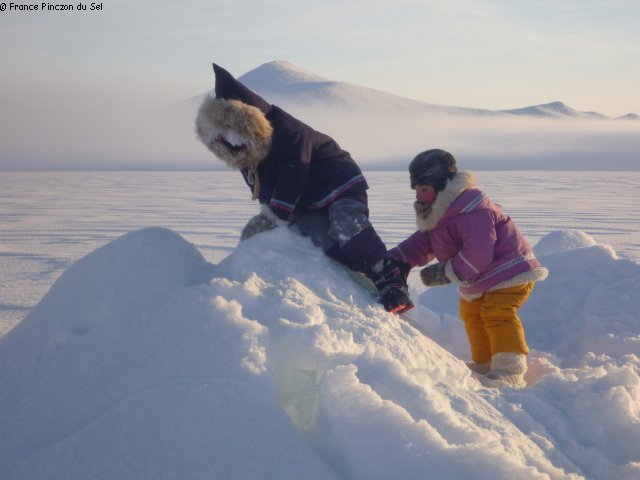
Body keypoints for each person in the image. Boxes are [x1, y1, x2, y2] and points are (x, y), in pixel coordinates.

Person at [194, 63, 413, 314]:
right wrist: (269, 217)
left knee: (346, 224)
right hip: (306, 201)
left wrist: (275, 214)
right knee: (316, 235)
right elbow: (263, 189)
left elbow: (293, 175)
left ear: (247, 123)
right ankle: (355, 274)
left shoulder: (288, 131)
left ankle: (388, 276)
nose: (230, 141)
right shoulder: (248, 155)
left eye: (231, 132)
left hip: (337, 183)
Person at [389, 149, 548, 388]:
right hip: (484, 277)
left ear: (443, 187)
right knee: (472, 314)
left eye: (425, 190)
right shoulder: (442, 216)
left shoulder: (472, 210)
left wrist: (446, 272)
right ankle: (485, 363)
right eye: (417, 190)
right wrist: (394, 260)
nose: (420, 197)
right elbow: (423, 243)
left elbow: (479, 252)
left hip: (510, 272)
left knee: (497, 313)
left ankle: (510, 369)